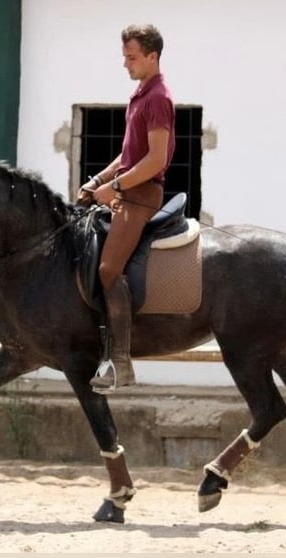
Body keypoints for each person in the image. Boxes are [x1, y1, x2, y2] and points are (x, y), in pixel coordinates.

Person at [77, 24, 176, 394]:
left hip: (141, 196)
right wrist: (96, 181)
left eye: (131, 57)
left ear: (153, 56)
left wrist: (114, 188)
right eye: (124, 57)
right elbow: (127, 154)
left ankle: (121, 362)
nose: (125, 64)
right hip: (126, 191)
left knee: (107, 269)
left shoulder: (158, 98)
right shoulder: (140, 94)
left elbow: (154, 160)